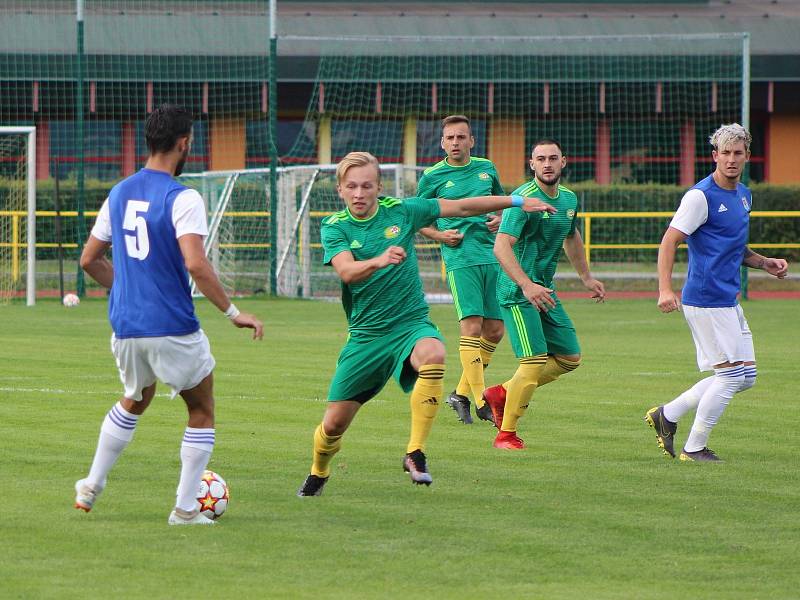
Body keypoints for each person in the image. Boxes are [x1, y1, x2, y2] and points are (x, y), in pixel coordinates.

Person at [296, 151, 555, 496]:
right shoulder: (335, 227)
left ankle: (415, 453)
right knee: (333, 425)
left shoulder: (403, 210)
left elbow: (462, 207)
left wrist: (518, 200)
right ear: (341, 190)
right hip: (366, 336)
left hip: (410, 324)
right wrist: (379, 260)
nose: (359, 193)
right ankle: (319, 470)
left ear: (379, 187)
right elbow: (346, 271)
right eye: (352, 187)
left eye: (367, 186)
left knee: (433, 352)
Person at [75, 104, 264, 524]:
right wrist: (233, 312)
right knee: (201, 407)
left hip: (125, 325)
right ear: (184, 143)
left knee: (136, 399)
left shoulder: (119, 192)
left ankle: (91, 484)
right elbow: (195, 263)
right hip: (171, 325)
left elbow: (89, 259)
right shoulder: (183, 196)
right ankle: (184, 509)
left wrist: (129, 288)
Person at [645, 123, 788, 462]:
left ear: (747, 156)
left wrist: (764, 262)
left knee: (746, 377)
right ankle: (693, 448)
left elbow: (733, 246)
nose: (731, 159)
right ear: (715, 156)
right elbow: (669, 241)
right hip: (706, 300)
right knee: (729, 377)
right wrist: (665, 289)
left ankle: (667, 414)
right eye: (725, 152)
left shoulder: (744, 195)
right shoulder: (700, 196)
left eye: (738, 153)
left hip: (728, 300)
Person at [482, 139, 605, 450]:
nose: (547, 163)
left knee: (569, 358)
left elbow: (571, 236)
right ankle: (506, 435)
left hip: (544, 289)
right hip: (517, 290)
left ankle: (502, 393)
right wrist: (526, 284)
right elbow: (501, 246)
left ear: (563, 162)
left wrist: (586, 277)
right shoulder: (522, 201)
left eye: (553, 158)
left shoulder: (569, 199)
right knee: (534, 360)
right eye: (541, 159)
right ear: (531, 164)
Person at [416, 115, 506, 425]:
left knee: (495, 330)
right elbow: (416, 218)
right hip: (460, 258)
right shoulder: (432, 176)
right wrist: (441, 235)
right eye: (450, 138)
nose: (455, 142)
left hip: (492, 255)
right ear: (442, 143)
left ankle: (460, 394)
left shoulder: (486, 168)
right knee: (472, 326)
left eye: (461, 137)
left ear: (471, 141)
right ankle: (483, 401)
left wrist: (500, 220)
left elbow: (499, 203)